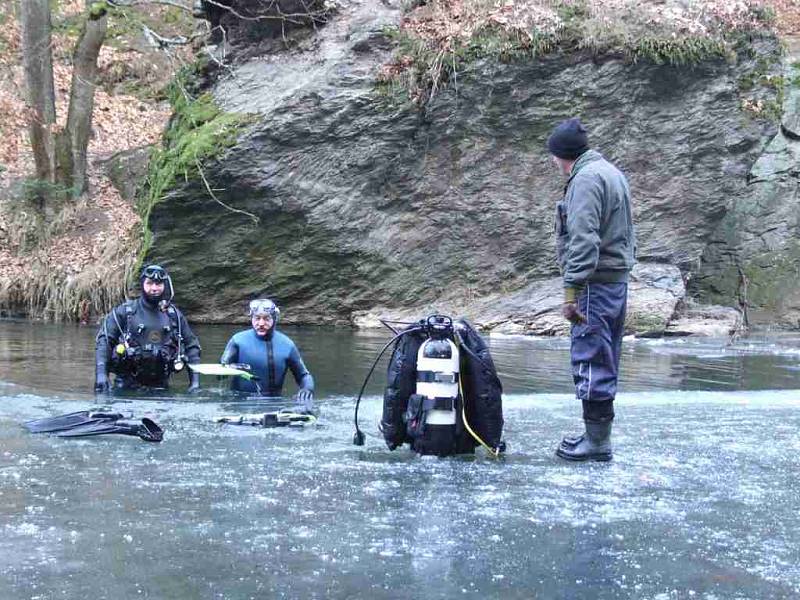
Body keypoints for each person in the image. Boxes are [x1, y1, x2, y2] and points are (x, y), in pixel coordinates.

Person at [548, 117, 635, 461]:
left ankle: (597, 443)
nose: (553, 162)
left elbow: (584, 240)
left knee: (591, 358)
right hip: (615, 282)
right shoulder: (610, 172)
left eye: (553, 155)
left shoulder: (585, 180)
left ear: (562, 154)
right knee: (605, 357)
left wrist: (571, 292)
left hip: (594, 286)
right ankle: (594, 435)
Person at [95, 265, 201, 392]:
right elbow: (104, 342)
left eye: (159, 284)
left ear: (165, 285)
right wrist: (101, 375)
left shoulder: (174, 316)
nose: (154, 288)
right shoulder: (124, 312)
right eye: (150, 283)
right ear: (142, 284)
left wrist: (195, 383)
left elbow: (192, 347)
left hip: (162, 388)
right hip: (125, 388)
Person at [220, 299, 315, 407]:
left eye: (266, 319)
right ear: (251, 318)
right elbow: (221, 371)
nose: (261, 323)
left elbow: (303, 375)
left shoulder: (287, 345)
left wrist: (307, 389)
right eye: (257, 318)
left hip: (274, 403)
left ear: (274, 319)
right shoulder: (237, 341)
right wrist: (228, 368)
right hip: (239, 402)